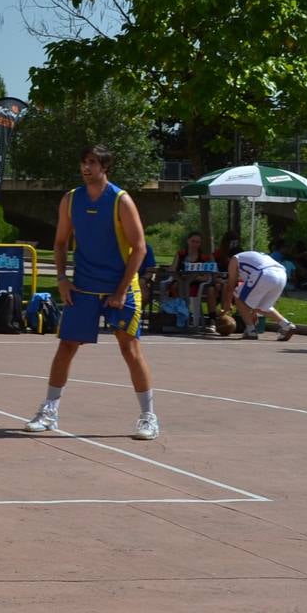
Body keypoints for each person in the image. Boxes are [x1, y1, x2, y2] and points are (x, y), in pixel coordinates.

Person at [24, 145, 161, 440]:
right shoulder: (71, 200)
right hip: (83, 286)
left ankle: (148, 417)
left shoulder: (120, 200)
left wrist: (122, 291)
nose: (86, 168)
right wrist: (61, 278)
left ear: (104, 167)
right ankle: (49, 411)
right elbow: (60, 243)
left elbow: (139, 249)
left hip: (120, 286)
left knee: (130, 349)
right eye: (83, 162)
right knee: (66, 346)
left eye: (92, 163)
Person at [222, 250, 298, 340]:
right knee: (263, 306)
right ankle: (287, 325)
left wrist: (227, 304)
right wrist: (253, 312)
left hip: (264, 273)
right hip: (281, 274)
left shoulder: (235, 259)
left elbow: (231, 285)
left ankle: (250, 331)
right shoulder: (253, 257)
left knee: (238, 296)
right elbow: (254, 297)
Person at [168, 231, 220, 330]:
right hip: (181, 281)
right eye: (193, 241)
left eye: (198, 242)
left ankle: (211, 321)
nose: (195, 244)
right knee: (174, 287)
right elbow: (173, 269)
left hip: (197, 284)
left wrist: (195, 277)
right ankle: (179, 315)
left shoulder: (204, 257)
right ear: (188, 241)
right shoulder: (181, 254)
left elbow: (206, 277)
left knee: (209, 290)